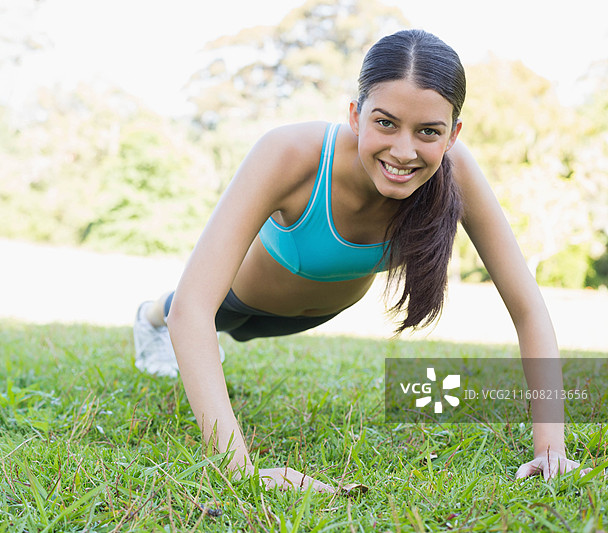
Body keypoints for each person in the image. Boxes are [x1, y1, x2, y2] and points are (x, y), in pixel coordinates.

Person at [133, 29, 590, 492]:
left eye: (428, 131)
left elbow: (528, 308)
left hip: (318, 314)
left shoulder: (457, 174)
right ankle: (147, 319)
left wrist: (550, 450)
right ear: (355, 115)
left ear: (453, 134)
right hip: (239, 299)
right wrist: (239, 471)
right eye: (386, 123)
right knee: (174, 309)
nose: (404, 151)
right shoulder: (291, 153)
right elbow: (193, 308)